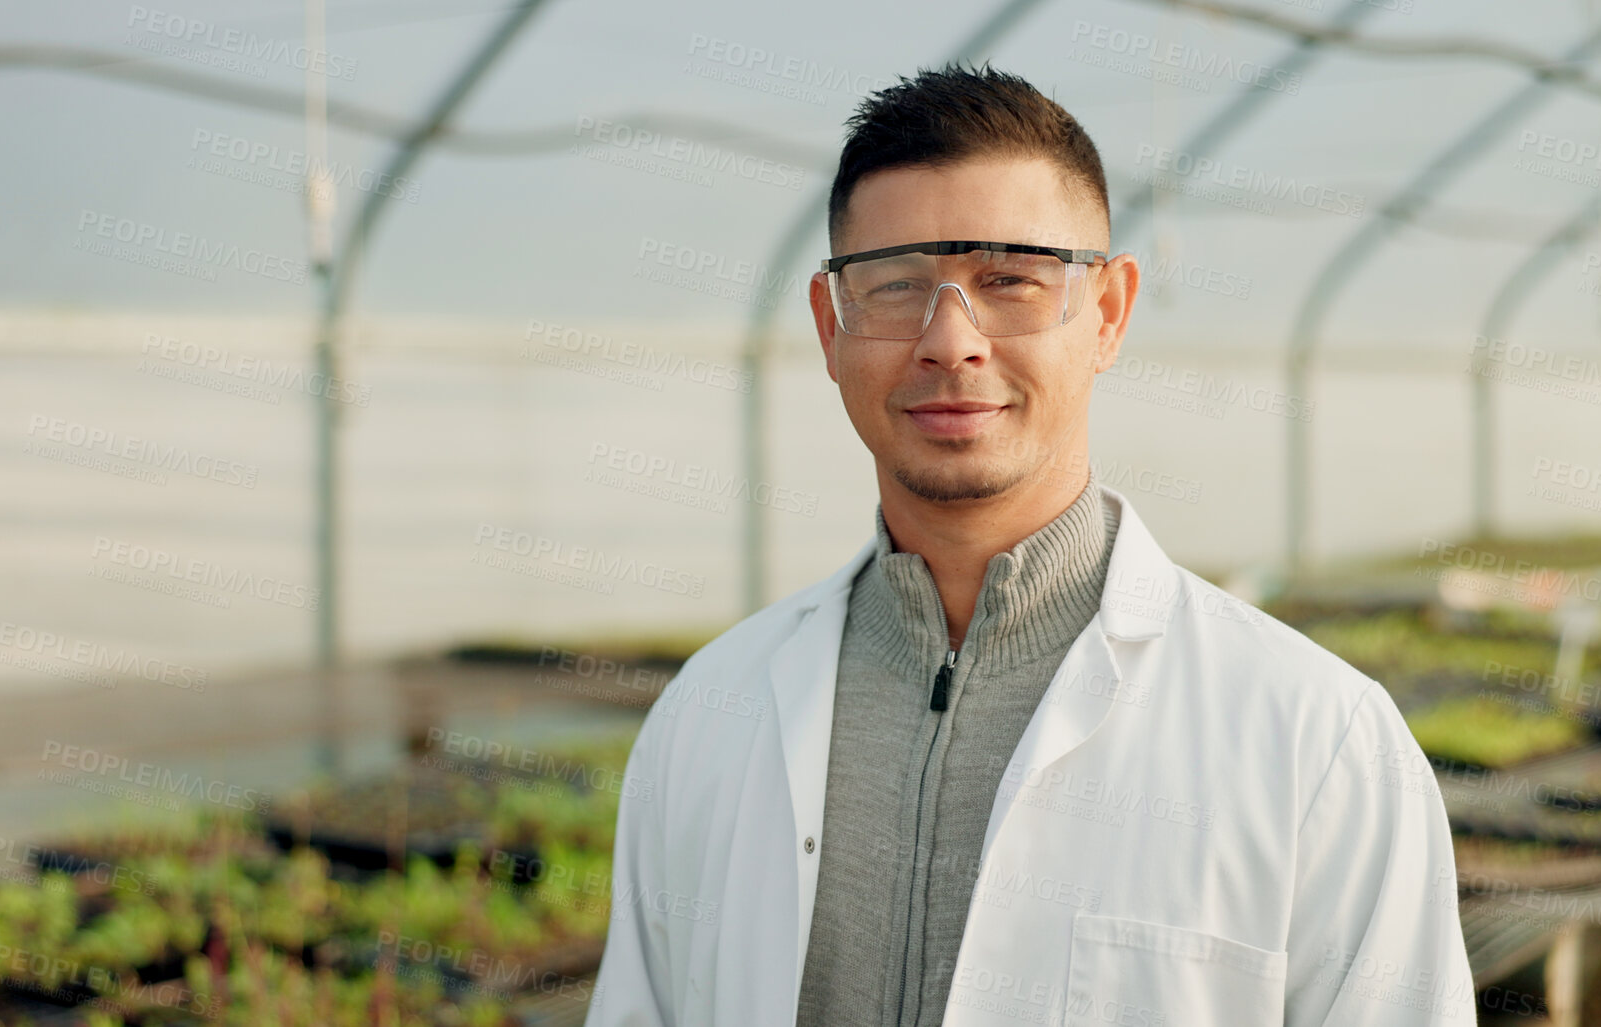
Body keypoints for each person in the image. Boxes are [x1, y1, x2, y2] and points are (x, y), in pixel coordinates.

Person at [585, 62, 1473, 1027]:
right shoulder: (708, 717)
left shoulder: (1316, 741)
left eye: (1009, 280)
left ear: (1108, 313)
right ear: (829, 326)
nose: (951, 340)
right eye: (895, 286)